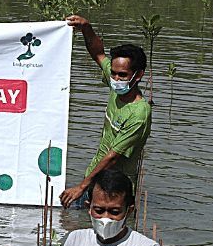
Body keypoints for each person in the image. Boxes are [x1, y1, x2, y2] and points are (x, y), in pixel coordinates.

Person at [61, 15, 151, 209]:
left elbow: (113, 156)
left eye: (122, 75)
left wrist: (81, 186)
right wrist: (86, 28)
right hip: (95, 179)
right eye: (114, 73)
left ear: (138, 75)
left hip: (116, 191)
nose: (116, 78)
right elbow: (98, 54)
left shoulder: (139, 114)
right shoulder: (115, 85)